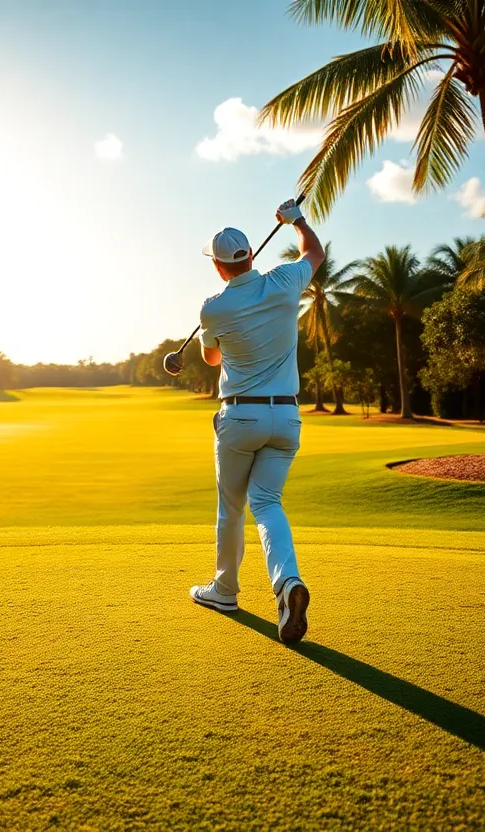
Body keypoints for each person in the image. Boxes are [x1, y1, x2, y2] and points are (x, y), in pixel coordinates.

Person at [188, 198, 325, 644]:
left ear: (218, 267)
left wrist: (213, 339)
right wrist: (295, 221)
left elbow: (212, 357)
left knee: (232, 507)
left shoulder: (213, 308)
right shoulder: (284, 281)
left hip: (240, 416)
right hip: (286, 416)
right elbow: (315, 254)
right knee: (267, 504)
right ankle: (287, 583)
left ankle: (225, 590)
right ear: (249, 256)